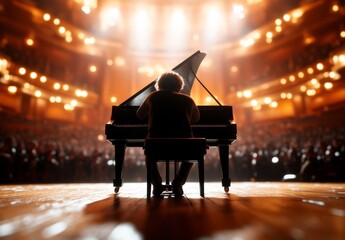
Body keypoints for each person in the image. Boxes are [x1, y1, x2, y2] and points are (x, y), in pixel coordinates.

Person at [136, 71, 200, 196]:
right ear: (179, 85)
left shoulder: (153, 97)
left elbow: (139, 114)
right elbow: (196, 119)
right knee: (193, 152)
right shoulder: (188, 100)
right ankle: (179, 182)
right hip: (183, 144)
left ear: (159, 84)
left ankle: (157, 183)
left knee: (149, 152)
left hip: (157, 142)